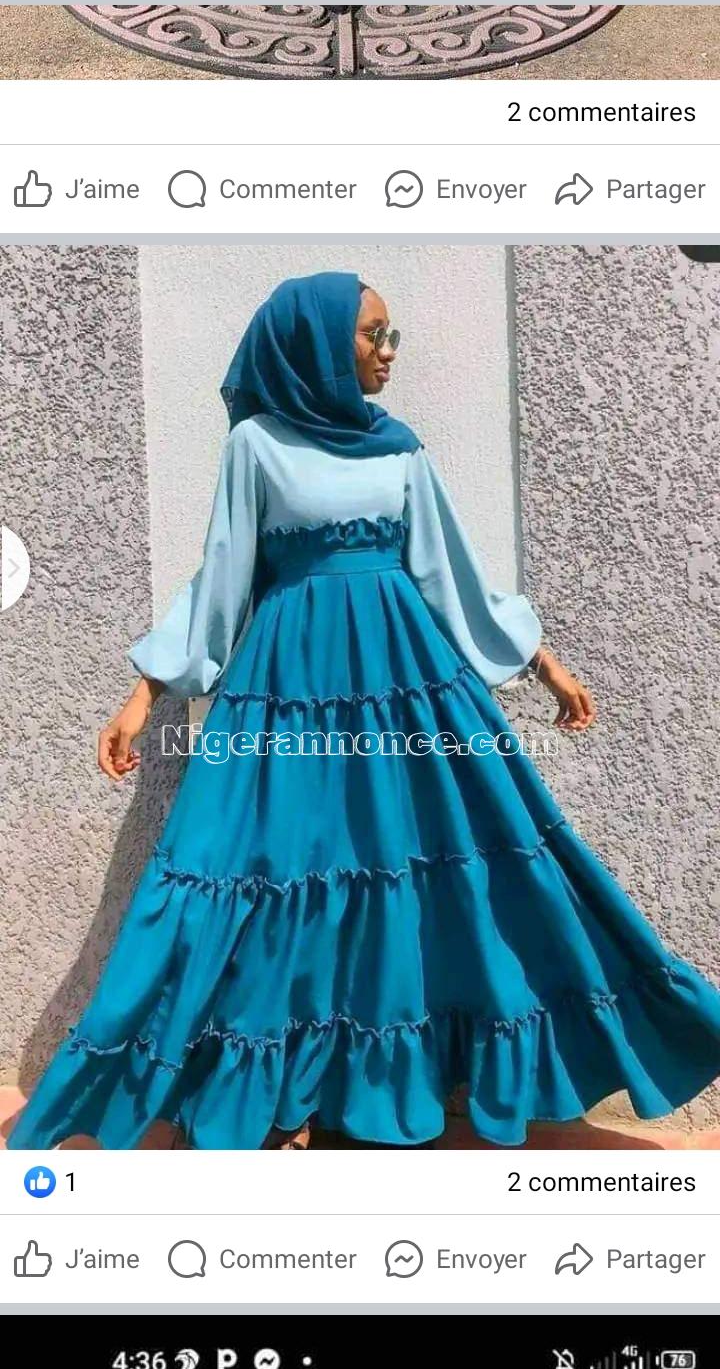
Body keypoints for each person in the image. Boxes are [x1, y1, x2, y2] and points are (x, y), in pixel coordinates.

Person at [9, 271, 720, 1150]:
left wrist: (544, 663)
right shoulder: (257, 446)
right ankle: (272, 1084)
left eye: (393, 337)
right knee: (267, 872)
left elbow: (448, 571)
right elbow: (221, 579)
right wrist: (144, 695)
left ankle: (400, 1079)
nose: (388, 353)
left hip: (405, 681)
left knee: (438, 865)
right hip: (289, 687)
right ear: (314, 343)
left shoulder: (399, 448)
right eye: (372, 334)